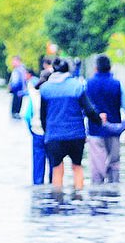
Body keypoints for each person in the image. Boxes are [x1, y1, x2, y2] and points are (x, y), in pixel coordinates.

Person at [40, 57, 102, 190]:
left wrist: (47, 132)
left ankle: (57, 200)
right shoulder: (77, 86)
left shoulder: (45, 89)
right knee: (77, 167)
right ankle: (79, 197)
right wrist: (99, 121)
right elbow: (89, 110)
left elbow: (43, 116)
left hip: (54, 135)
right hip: (76, 135)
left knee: (57, 169)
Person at [85, 55, 125, 185]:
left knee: (96, 165)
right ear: (110, 68)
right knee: (114, 163)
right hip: (114, 129)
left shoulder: (88, 84)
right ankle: (114, 189)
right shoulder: (118, 84)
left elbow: (83, 108)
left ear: (96, 68)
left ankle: (97, 191)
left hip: (95, 130)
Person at [23, 69, 53, 185]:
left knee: (38, 165)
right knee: (53, 164)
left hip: (36, 132)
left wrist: (31, 130)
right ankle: (53, 187)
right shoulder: (52, 95)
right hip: (51, 134)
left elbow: (26, 116)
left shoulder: (33, 94)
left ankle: (38, 186)